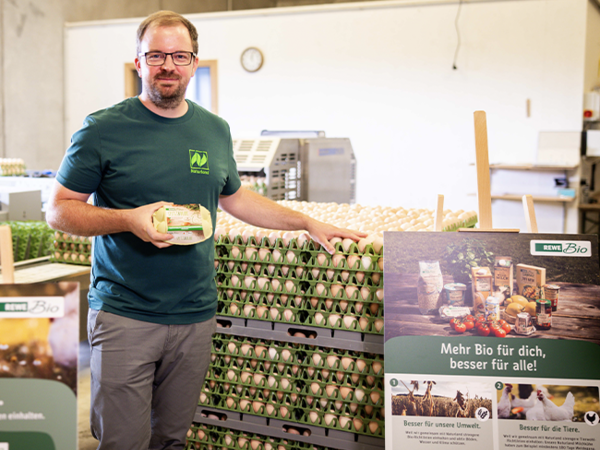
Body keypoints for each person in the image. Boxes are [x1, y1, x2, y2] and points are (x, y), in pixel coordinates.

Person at [46, 10, 365, 450]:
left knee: (173, 439)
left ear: (194, 62)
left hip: (195, 314)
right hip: (125, 313)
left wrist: (306, 222)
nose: (168, 66)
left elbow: (235, 199)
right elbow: (59, 210)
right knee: (123, 441)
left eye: (179, 55)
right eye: (156, 55)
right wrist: (128, 219)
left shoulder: (214, 130)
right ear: (138, 62)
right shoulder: (103, 129)